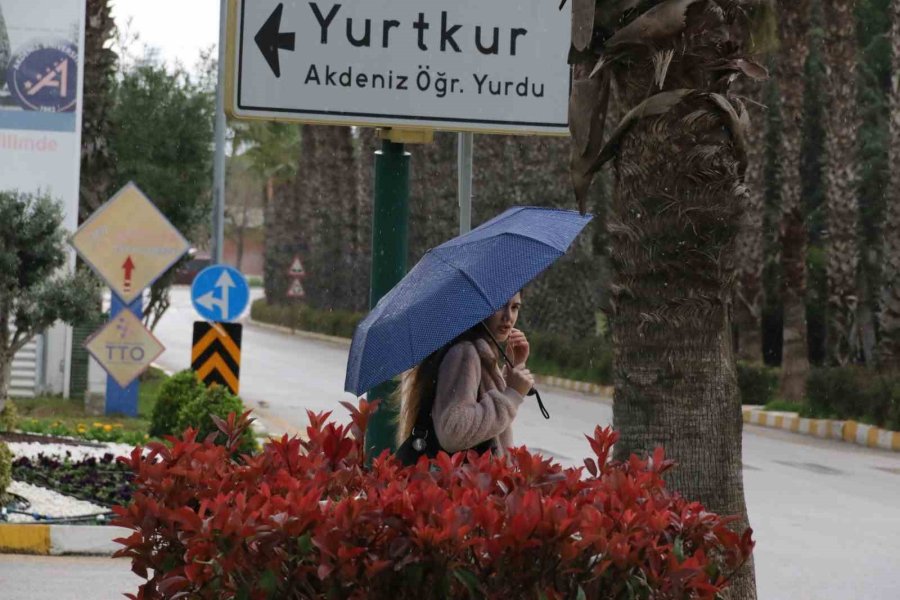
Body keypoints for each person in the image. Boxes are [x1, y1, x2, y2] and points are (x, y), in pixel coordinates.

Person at [396, 292, 534, 458]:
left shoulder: (477, 349)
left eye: (514, 307)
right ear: (479, 304)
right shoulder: (465, 353)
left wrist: (513, 369)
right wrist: (511, 396)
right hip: (463, 473)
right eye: (500, 305)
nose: (508, 317)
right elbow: (454, 432)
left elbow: (481, 405)